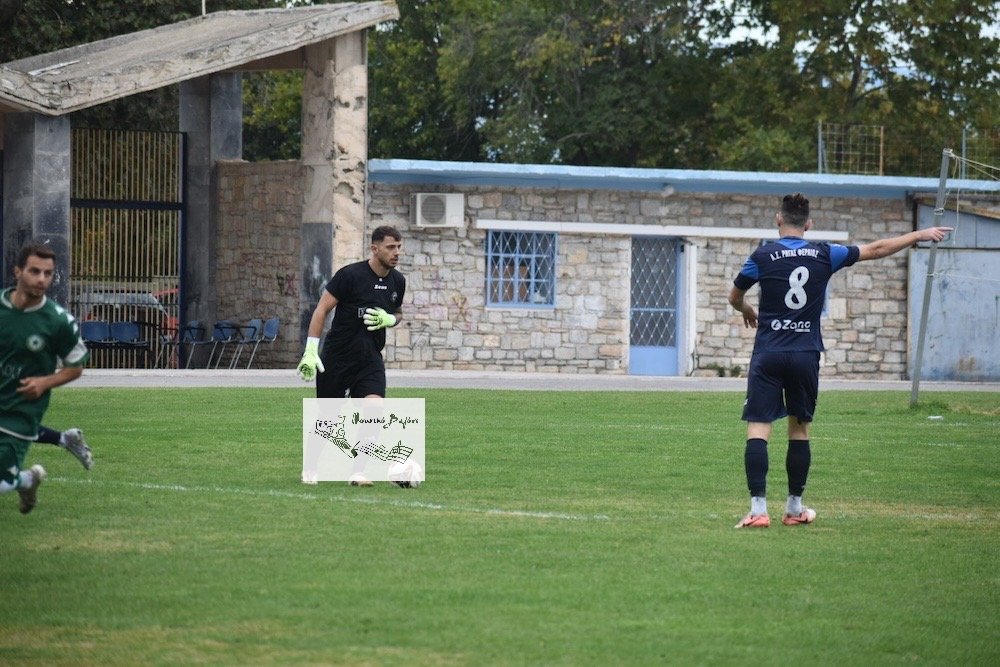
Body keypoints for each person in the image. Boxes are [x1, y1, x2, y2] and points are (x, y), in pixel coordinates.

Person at [728, 193, 951, 528]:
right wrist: (918, 235)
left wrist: (745, 308)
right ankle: (794, 508)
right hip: (805, 354)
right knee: (799, 429)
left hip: (769, 353)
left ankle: (759, 511)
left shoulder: (761, 256)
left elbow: (734, 295)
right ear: (809, 223)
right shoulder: (823, 253)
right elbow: (875, 249)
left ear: (778, 219)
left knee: (759, 427)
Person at [297, 226, 406, 486]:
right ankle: (310, 467)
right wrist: (311, 350)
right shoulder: (349, 275)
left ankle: (358, 471)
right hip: (337, 358)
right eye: (391, 247)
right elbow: (322, 309)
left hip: (370, 360)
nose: (396, 253)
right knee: (328, 418)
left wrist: (391, 319)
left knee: (374, 410)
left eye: (399, 247)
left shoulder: (398, 281)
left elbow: (398, 312)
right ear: (374, 248)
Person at [0, 242, 90, 514]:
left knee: (2, 483)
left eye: (48, 273)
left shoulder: (57, 321)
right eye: (34, 271)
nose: (42, 279)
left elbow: (76, 366)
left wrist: (43, 383)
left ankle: (26, 479)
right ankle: (30, 477)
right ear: (17, 271)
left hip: (21, 408)